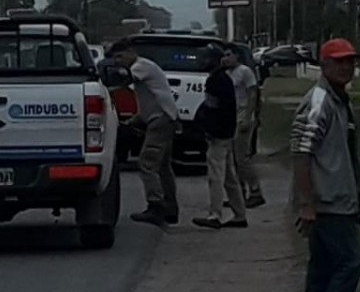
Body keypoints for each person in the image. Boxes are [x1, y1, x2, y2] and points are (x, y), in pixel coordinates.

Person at [290, 38, 360, 292]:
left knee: (323, 268)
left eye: (350, 61)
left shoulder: (340, 100)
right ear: (323, 65)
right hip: (327, 200)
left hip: (339, 197)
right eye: (338, 61)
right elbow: (301, 152)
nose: (346, 67)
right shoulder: (319, 100)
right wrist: (307, 202)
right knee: (349, 263)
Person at [109, 39, 180, 227]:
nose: (118, 61)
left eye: (120, 56)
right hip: (162, 117)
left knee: (147, 163)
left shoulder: (141, 66)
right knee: (163, 166)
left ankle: (155, 206)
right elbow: (148, 100)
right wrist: (132, 120)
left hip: (160, 119)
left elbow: (122, 80)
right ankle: (170, 207)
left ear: (131, 52)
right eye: (115, 58)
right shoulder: (144, 67)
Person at [191, 44, 248, 230]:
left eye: (205, 58)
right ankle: (240, 214)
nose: (202, 61)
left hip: (218, 134)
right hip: (227, 132)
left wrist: (208, 129)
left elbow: (212, 108)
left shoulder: (215, 80)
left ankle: (215, 214)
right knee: (229, 176)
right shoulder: (224, 78)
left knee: (216, 175)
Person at [223, 45, 266, 208]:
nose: (226, 58)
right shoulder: (227, 74)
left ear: (237, 56)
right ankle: (238, 194)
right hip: (232, 118)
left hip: (243, 116)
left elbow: (252, 94)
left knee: (242, 158)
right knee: (233, 159)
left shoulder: (245, 72)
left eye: (229, 54)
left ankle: (256, 191)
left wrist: (249, 117)